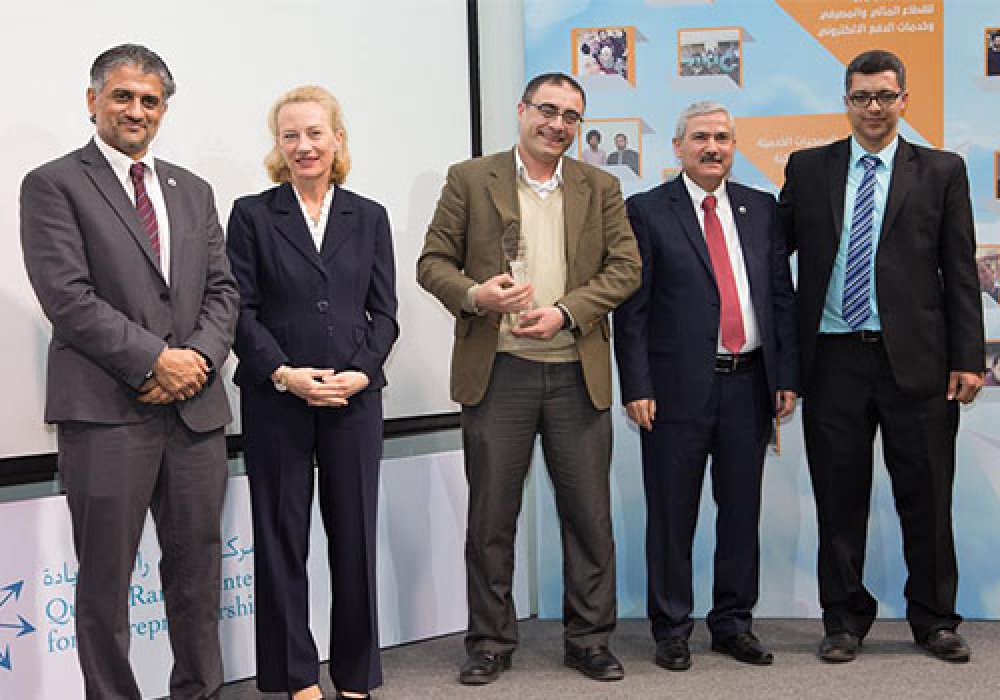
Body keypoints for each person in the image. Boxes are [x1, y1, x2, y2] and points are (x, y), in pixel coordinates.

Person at [19, 44, 238, 699]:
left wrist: (198, 359)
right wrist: (155, 360)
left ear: (164, 110)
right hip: (106, 413)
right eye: (122, 96)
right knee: (106, 585)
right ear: (93, 101)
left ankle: (199, 692)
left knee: (198, 576)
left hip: (195, 416)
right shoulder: (53, 184)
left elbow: (223, 291)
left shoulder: (192, 190)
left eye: (150, 100)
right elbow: (67, 296)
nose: (136, 110)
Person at [417, 72, 641, 686]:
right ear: (521, 111)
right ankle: (490, 642)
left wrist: (566, 311)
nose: (557, 124)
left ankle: (589, 640)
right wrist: (477, 295)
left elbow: (626, 269)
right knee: (491, 520)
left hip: (576, 373)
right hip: (498, 373)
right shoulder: (471, 179)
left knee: (589, 518)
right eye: (547, 110)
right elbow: (432, 262)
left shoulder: (600, 185)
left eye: (571, 116)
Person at [777, 49, 984, 664]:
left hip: (918, 363)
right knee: (838, 498)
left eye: (885, 96)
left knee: (927, 496)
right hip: (832, 359)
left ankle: (935, 619)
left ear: (903, 100)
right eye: (863, 96)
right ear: (846, 101)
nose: (874, 107)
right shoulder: (809, 169)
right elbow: (770, 254)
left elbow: (960, 270)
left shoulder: (942, 171)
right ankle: (843, 620)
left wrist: (968, 358)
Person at [226, 86, 398, 700]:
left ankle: (355, 674)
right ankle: (294, 675)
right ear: (278, 145)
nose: (304, 146)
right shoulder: (251, 215)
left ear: (337, 139)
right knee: (281, 539)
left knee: (354, 539)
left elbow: (385, 312)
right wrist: (282, 373)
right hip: (278, 399)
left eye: (315, 133)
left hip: (354, 398)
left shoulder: (369, 216)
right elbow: (239, 310)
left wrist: (363, 371)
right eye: (290, 135)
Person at [614, 101, 798, 672]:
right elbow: (632, 309)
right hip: (673, 392)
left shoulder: (760, 208)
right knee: (673, 515)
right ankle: (672, 627)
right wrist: (636, 385)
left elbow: (780, 297)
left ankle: (733, 624)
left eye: (722, 137)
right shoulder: (647, 210)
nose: (712, 147)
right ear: (678, 146)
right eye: (700, 137)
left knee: (741, 513)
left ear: (734, 146)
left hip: (749, 384)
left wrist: (785, 377)